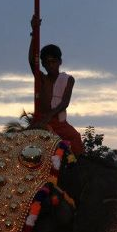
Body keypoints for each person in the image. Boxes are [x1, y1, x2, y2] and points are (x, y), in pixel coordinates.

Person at [29, 16, 83, 155]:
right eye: (46, 62)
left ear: (60, 62)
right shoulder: (41, 78)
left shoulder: (68, 79)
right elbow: (31, 60)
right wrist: (34, 32)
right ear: (43, 64)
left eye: (53, 61)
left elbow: (65, 103)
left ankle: (76, 168)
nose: (50, 65)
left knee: (76, 138)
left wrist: (50, 116)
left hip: (59, 123)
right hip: (41, 121)